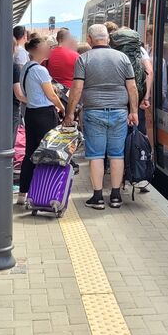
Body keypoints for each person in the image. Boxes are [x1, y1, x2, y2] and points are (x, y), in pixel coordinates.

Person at [63, 24, 138, 209]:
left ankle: (97, 198)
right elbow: (132, 87)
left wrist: (69, 113)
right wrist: (134, 111)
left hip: (94, 112)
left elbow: (77, 88)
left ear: (89, 39)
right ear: (108, 38)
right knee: (117, 155)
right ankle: (115, 196)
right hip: (119, 112)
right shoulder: (122, 58)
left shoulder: (84, 59)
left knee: (96, 155)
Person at [18, 37, 65, 205]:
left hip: (31, 113)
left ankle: (23, 193)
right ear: (37, 49)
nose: (49, 50)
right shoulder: (40, 70)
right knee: (48, 153)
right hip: (44, 114)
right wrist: (63, 108)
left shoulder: (26, 67)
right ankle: (46, 193)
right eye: (47, 47)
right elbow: (51, 95)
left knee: (30, 153)